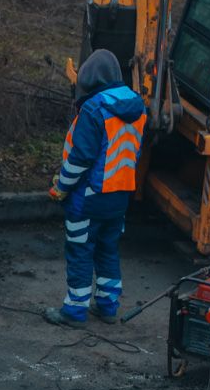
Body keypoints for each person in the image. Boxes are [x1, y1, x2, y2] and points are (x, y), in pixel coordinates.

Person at [44, 48, 146, 327]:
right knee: (107, 249)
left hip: (89, 196)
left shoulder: (93, 109)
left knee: (80, 251)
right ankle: (108, 306)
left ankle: (75, 311)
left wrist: (61, 187)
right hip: (120, 194)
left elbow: (81, 157)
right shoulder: (137, 106)